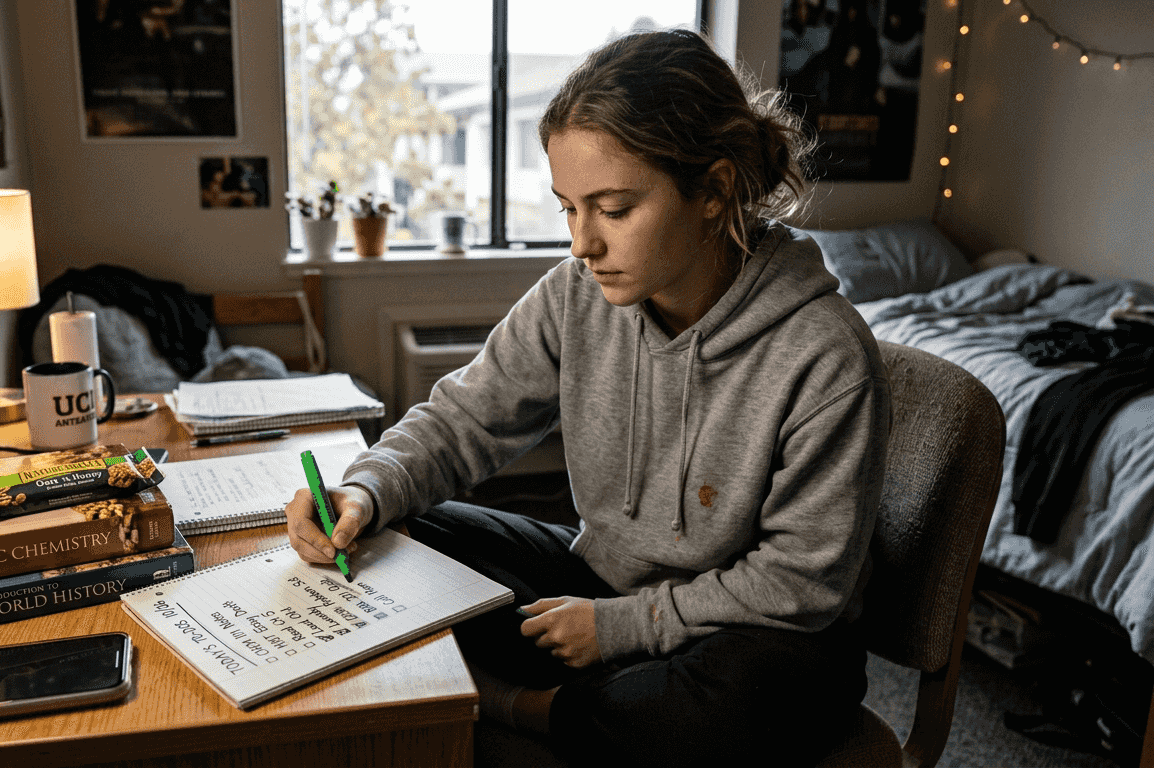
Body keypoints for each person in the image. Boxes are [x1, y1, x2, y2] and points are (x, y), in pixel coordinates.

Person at [285, 28, 890, 765]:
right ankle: (597, 704)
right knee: (400, 531)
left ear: (716, 189)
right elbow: (465, 418)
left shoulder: (825, 355)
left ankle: (531, 708)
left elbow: (801, 583)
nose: (581, 244)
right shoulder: (577, 294)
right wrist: (365, 491)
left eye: (613, 208)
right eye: (569, 208)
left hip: (753, 635)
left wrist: (620, 628)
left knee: (756, 690)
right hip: (597, 582)